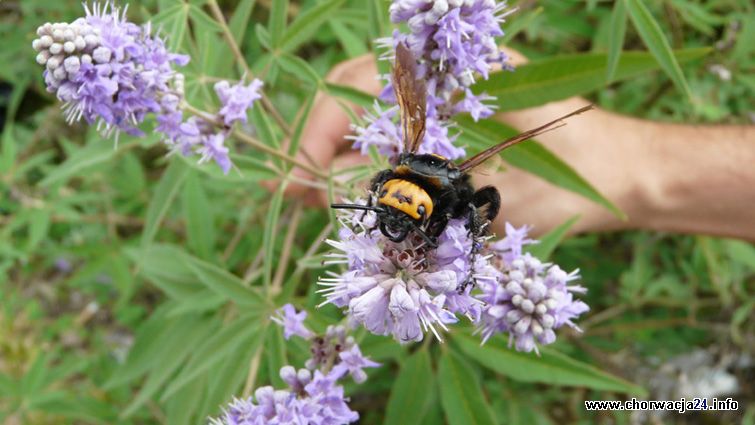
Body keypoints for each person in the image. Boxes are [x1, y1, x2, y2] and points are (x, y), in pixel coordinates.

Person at [282, 48, 755, 240]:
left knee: (467, 204)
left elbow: (414, 184)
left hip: (427, 195)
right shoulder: (401, 172)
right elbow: (388, 178)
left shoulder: (432, 180)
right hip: (409, 192)